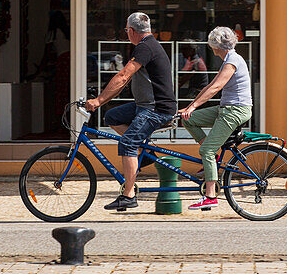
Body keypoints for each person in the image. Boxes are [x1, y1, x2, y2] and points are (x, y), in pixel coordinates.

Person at [85, 12, 176, 211]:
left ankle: (129, 195)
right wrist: (103, 102)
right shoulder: (148, 46)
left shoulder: (145, 47)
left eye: (127, 31)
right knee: (112, 116)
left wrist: (99, 100)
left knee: (127, 143)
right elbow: (124, 81)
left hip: (156, 109)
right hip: (145, 106)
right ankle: (144, 151)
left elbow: (124, 75)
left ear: (132, 31)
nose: (127, 34)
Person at [178, 26, 252, 210]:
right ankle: (213, 155)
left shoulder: (232, 60)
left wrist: (193, 106)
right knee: (189, 119)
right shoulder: (229, 59)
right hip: (226, 109)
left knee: (207, 152)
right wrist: (189, 108)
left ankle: (210, 196)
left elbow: (215, 88)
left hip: (235, 110)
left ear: (216, 46)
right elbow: (210, 85)